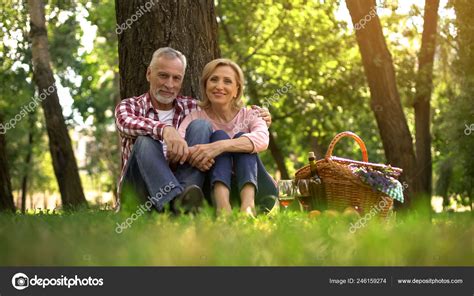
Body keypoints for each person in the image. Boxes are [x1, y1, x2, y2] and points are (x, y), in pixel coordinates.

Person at [115, 48, 271, 213]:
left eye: (176, 78)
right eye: (163, 75)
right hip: (140, 192)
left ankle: (184, 204)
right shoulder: (130, 105)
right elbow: (125, 122)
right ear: (149, 74)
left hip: (184, 186)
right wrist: (165, 130)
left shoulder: (192, 108)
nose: (169, 84)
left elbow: (220, 115)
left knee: (201, 126)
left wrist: (262, 118)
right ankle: (174, 200)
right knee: (145, 142)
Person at [178, 58, 278, 216]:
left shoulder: (252, 114)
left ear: (237, 90)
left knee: (241, 137)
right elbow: (178, 149)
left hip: (260, 192)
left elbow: (262, 139)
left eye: (227, 81)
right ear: (205, 85)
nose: (219, 86)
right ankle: (223, 208)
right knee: (218, 135)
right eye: (214, 80)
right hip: (211, 192)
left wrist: (218, 147)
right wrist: (198, 155)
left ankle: (248, 207)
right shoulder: (194, 117)